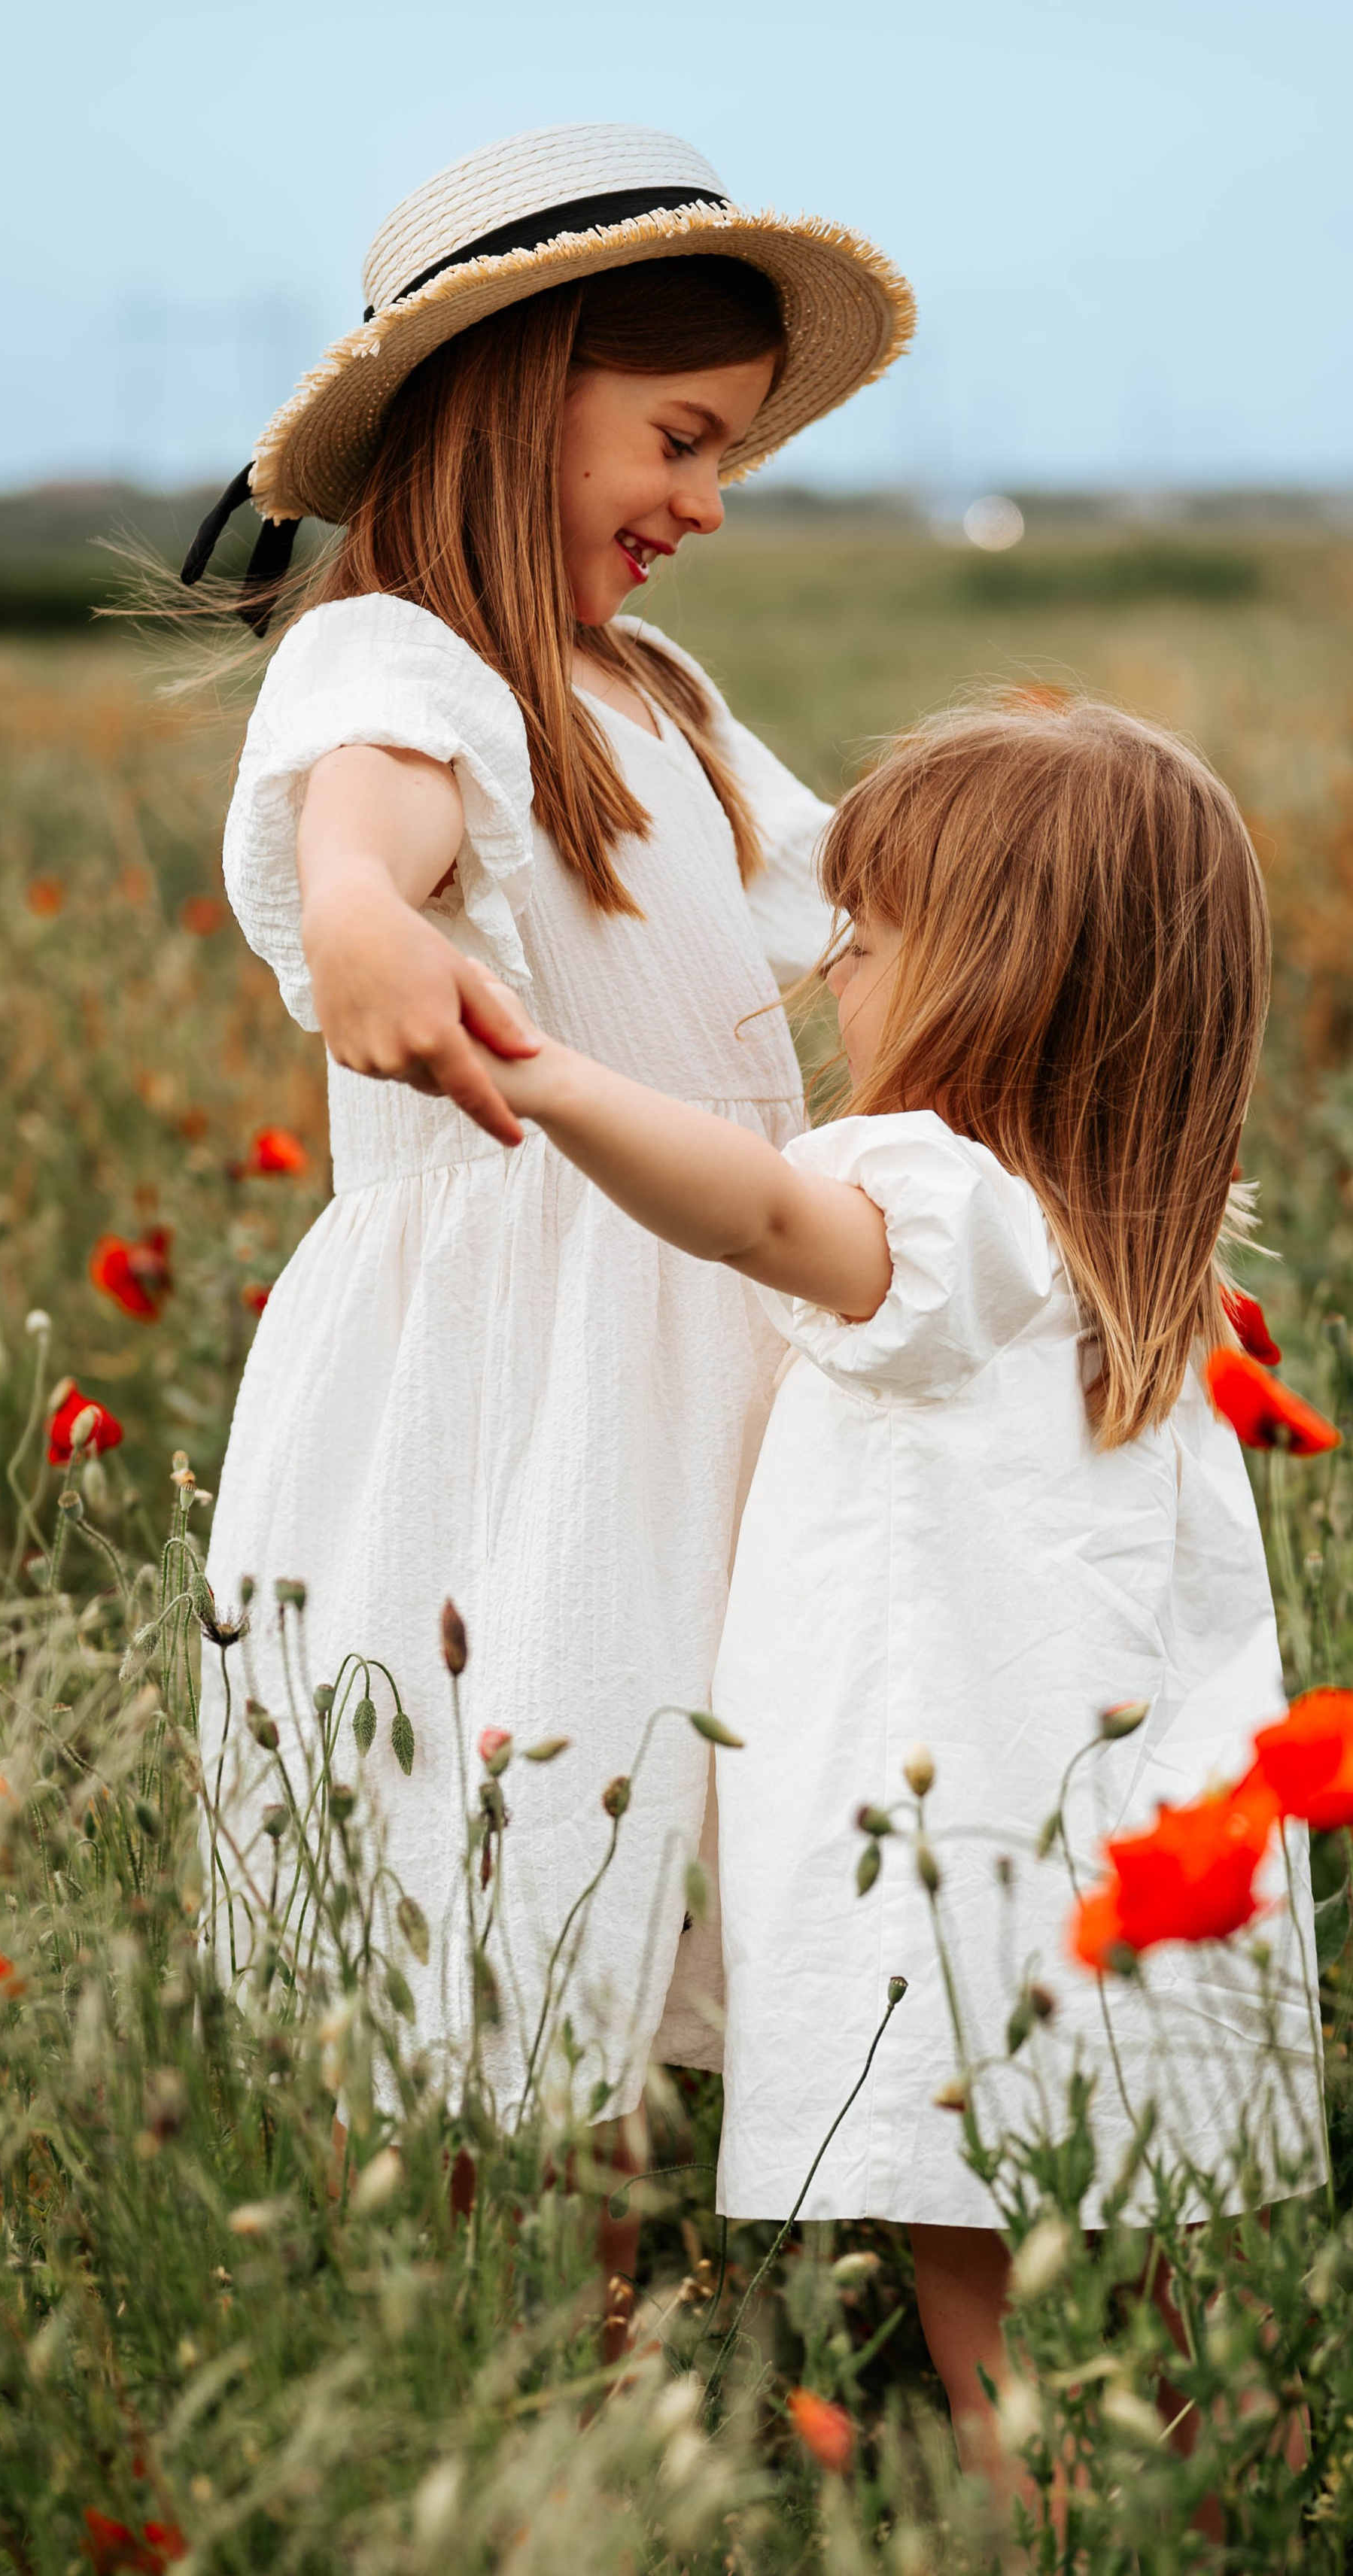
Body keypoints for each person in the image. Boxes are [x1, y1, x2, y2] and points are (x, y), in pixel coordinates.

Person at [452, 692, 1325, 2458]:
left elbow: (761, 1216)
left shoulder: (931, 1201)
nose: (826, 966)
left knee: (997, 2322)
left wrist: (536, 1069)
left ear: (990, 977)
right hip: (1150, 1878)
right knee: (1144, 2330)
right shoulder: (1116, 1230)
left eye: (864, 933)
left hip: (974, 1891)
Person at [188, 128, 913, 2167]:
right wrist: (357, 930)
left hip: (723, 1335)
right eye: (681, 439)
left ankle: (721, 2283)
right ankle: (568, 2353)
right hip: (531, 1390)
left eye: (728, 460)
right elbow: (364, 828)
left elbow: (863, 901)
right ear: (522, 388)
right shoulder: (405, 662)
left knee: (722, 1816)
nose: (702, 503)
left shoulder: (656, 690)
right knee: (544, 1845)